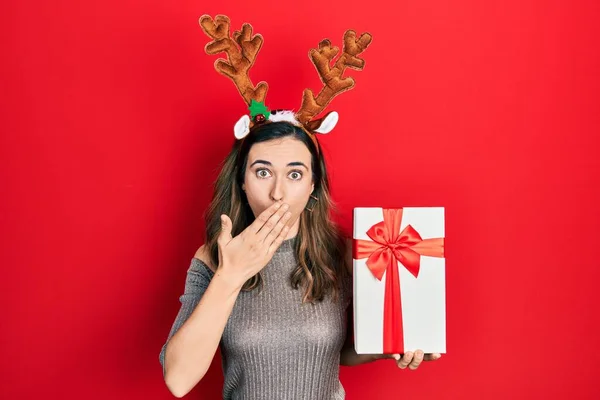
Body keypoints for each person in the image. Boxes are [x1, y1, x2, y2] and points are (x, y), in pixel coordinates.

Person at [159, 14, 441, 399]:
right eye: (262, 172)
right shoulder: (213, 258)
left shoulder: (341, 252)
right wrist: (230, 275)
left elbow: (331, 352)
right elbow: (178, 379)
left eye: (294, 174)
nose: (278, 193)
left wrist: (388, 346)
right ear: (241, 181)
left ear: (312, 185)